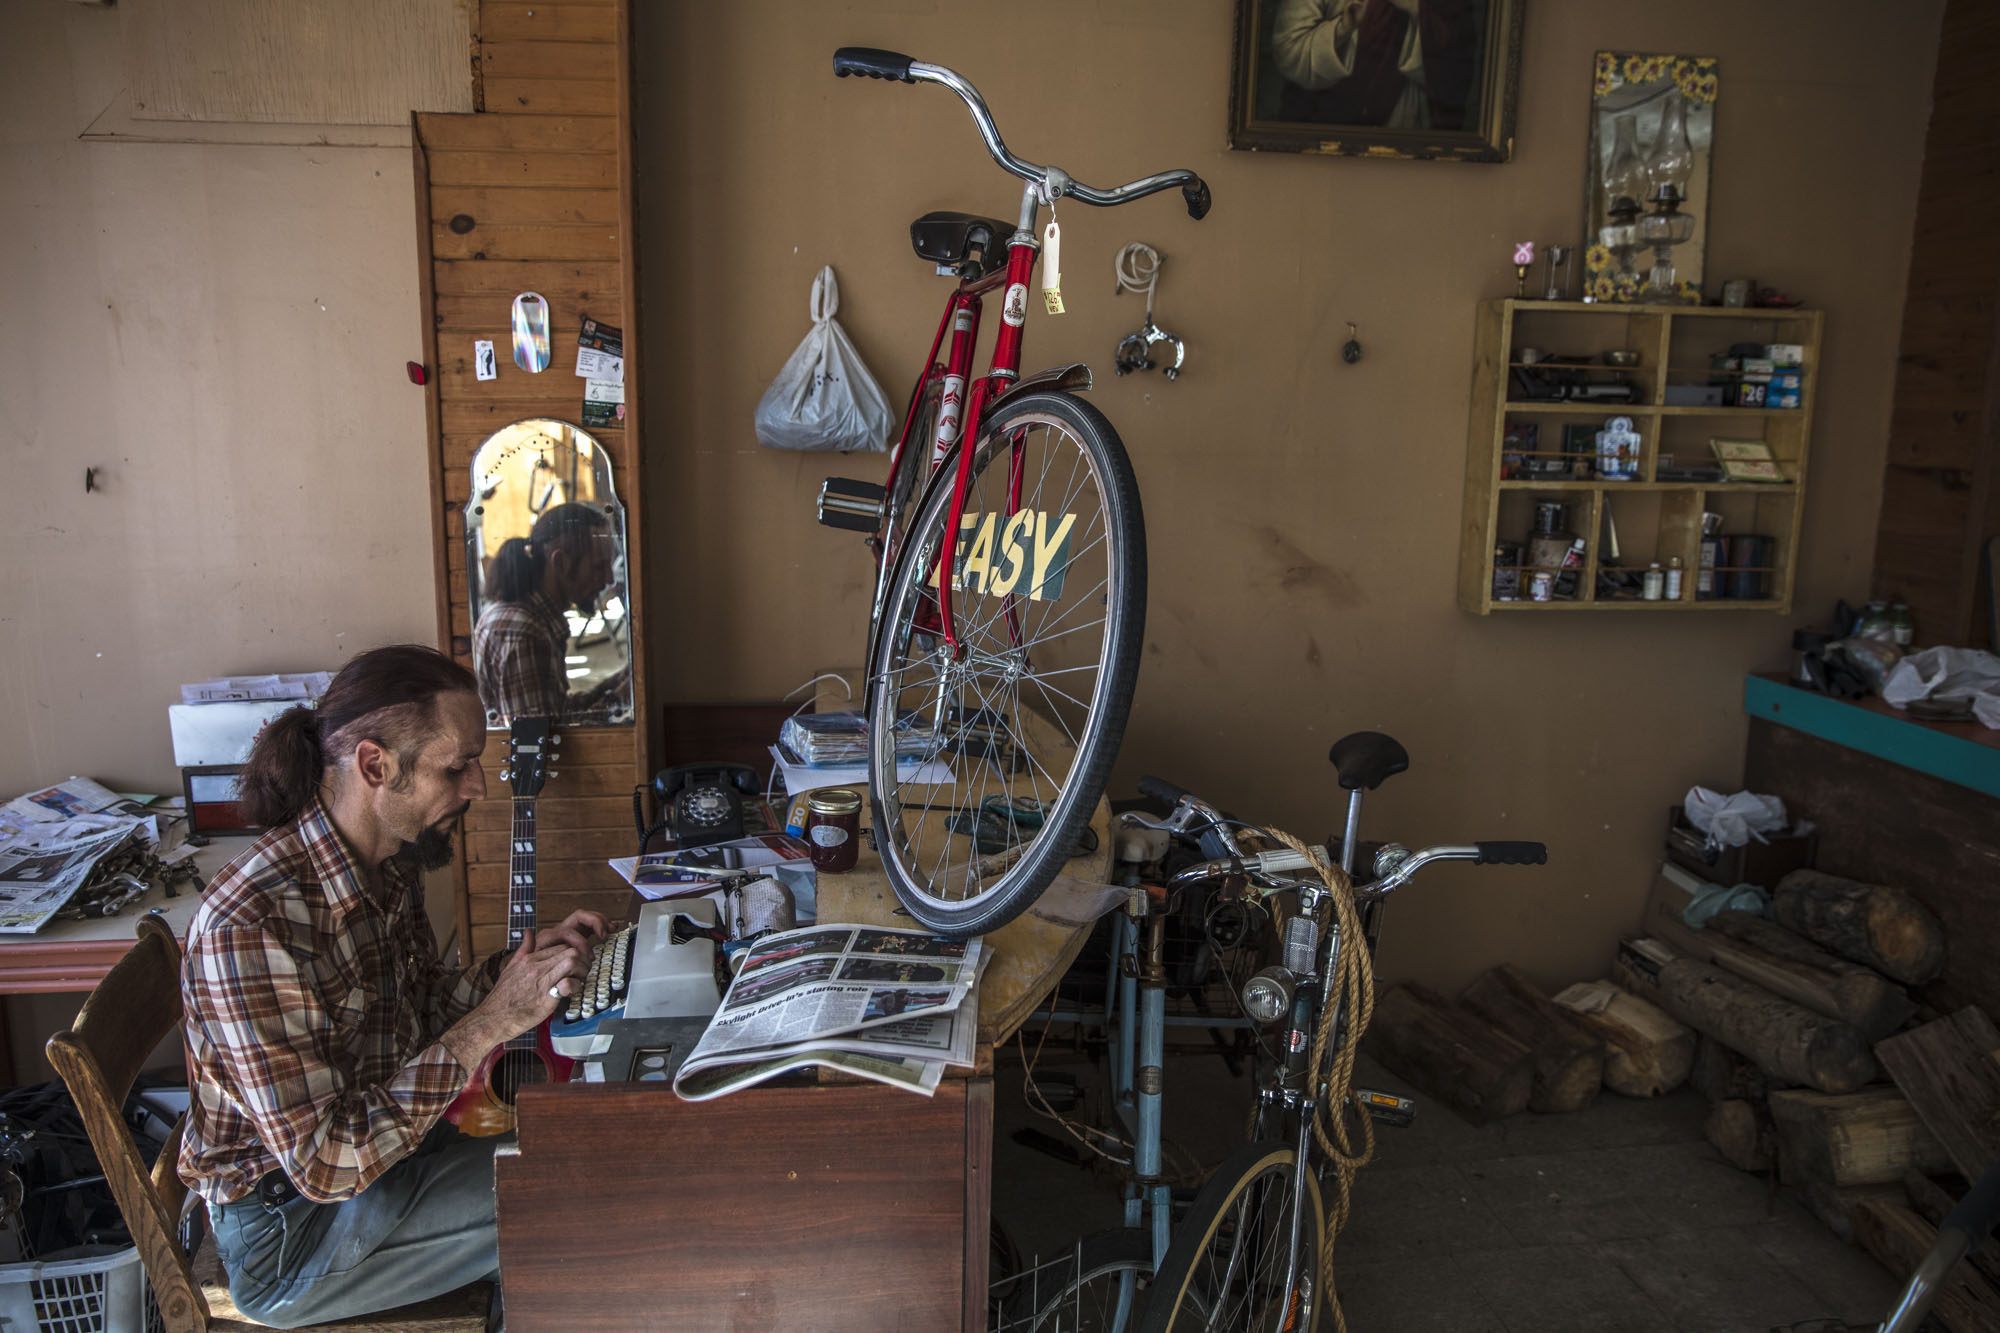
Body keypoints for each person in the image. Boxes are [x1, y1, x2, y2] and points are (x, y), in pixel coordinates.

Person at [178, 644, 606, 1327]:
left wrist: (520, 971)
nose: (479, 786)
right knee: (578, 1192)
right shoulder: (251, 924)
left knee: (599, 1135)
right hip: (291, 1234)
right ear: (375, 765)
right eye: (457, 765)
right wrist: (496, 1020)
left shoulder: (386, 860)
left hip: (389, 1156)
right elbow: (324, 1164)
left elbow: (426, 1003)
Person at [471, 502, 628, 725]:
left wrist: (614, 685)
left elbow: (554, 711)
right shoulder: (525, 633)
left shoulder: (534, 620)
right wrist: (616, 699)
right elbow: (544, 738)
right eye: (598, 567)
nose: (609, 579)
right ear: (561, 562)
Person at [1270, 0, 1478, 132]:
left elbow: (1457, 64)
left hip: (1405, 124)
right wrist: (1342, 29)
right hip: (1326, 125)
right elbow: (1288, 51)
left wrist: (1416, 10)